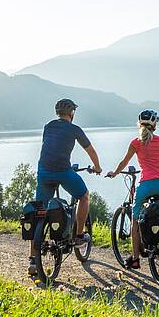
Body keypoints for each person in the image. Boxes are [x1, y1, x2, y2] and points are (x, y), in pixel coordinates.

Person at [34, 98, 101, 259]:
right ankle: (78, 236)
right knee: (84, 196)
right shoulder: (74, 129)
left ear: (57, 113)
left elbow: (51, 147)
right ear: (72, 113)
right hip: (63, 171)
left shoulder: (48, 126)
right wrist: (97, 167)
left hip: (43, 172)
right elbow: (90, 150)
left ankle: (33, 260)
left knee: (39, 211)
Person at [107, 109, 159, 269]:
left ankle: (135, 259)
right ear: (155, 124)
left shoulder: (136, 142)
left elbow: (124, 162)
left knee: (135, 222)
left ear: (139, 123)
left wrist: (114, 173)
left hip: (146, 185)